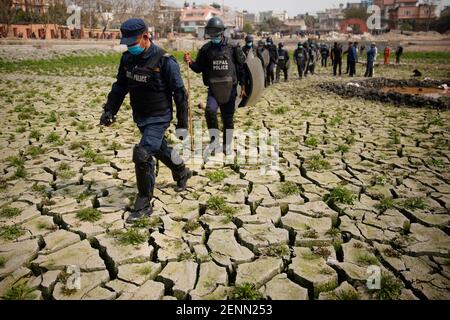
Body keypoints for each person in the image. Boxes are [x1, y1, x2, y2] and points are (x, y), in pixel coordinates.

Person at [100, 18, 192, 223]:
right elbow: (120, 87)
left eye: (133, 42)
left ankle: (144, 202)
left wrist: (182, 123)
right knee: (158, 147)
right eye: (127, 43)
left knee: (142, 154)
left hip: (159, 117)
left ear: (145, 37)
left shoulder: (164, 60)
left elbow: (180, 94)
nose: (130, 46)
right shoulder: (127, 59)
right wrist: (109, 110)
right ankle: (181, 170)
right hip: (140, 116)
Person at [183, 17, 247, 157]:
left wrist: (243, 85)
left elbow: (241, 67)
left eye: (216, 35)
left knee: (227, 118)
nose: (214, 38)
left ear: (222, 33)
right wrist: (190, 62)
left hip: (230, 89)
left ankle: (227, 145)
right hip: (213, 89)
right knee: (210, 111)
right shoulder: (206, 49)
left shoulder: (233, 46)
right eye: (211, 35)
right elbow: (198, 68)